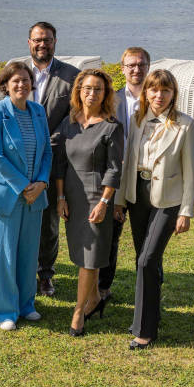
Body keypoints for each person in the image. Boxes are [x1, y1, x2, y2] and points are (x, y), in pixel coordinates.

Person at [115, 69, 194, 349]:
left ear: (173, 94)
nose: (159, 96)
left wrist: (186, 211)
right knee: (145, 259)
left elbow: (190, 172)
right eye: (153, 90)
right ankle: (153, 314)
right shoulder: (137, 120)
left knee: (147, 260)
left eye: (165, 91)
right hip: (138, 194)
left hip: (168, 200)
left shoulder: (185, 125)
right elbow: (128, 161)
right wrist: (119, 200)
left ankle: (144, 328)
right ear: (145, 92)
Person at [0, 61, 51, 330]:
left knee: (28, 254)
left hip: (35, 196)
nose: (21, 84)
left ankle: (26, 305)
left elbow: (47, 152)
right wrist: (24, 186)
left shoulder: (38, 111)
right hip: (5, 196)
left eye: (25, 79)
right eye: (15, 81)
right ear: (5, 85)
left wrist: (41, 182)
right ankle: (4, 311)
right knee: (4, 255)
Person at [53, 69, 124, 337]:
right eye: (87, 88)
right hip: (72, 195)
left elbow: (114, 170)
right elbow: (60, 163)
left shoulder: (112, 126)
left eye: (98, 89)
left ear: (105, 93)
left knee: (89, 258)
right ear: (78, 91)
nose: (92, 93)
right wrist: (60, 197)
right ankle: (94, 299)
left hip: (97, 197)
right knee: (82, 254)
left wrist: (105, 201)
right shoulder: (68, 123)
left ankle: (78, 312)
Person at [24, 22, 80, 298]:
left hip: (54, 160)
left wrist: (47, 139)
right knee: (20, 218)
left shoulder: (72, 76)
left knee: (48, 223)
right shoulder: (18, 72)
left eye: (47, 39)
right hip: (20, 160)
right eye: (37, 40)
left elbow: (75, 118)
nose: (42, 44)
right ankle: (21, 270)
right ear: (29, 42)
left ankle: (45, 274)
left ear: (55, 42)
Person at [100, 46, 150, 306]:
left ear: (148, 67)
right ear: (122, 69)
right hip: (117, 177)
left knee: (147, 239)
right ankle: (103, 288)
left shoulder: (157, 100)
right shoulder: (111, 101)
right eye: (131, 65)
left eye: (141, 64)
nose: (136, 69)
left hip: (147, 178)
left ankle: (150, 290)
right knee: (110, 236)